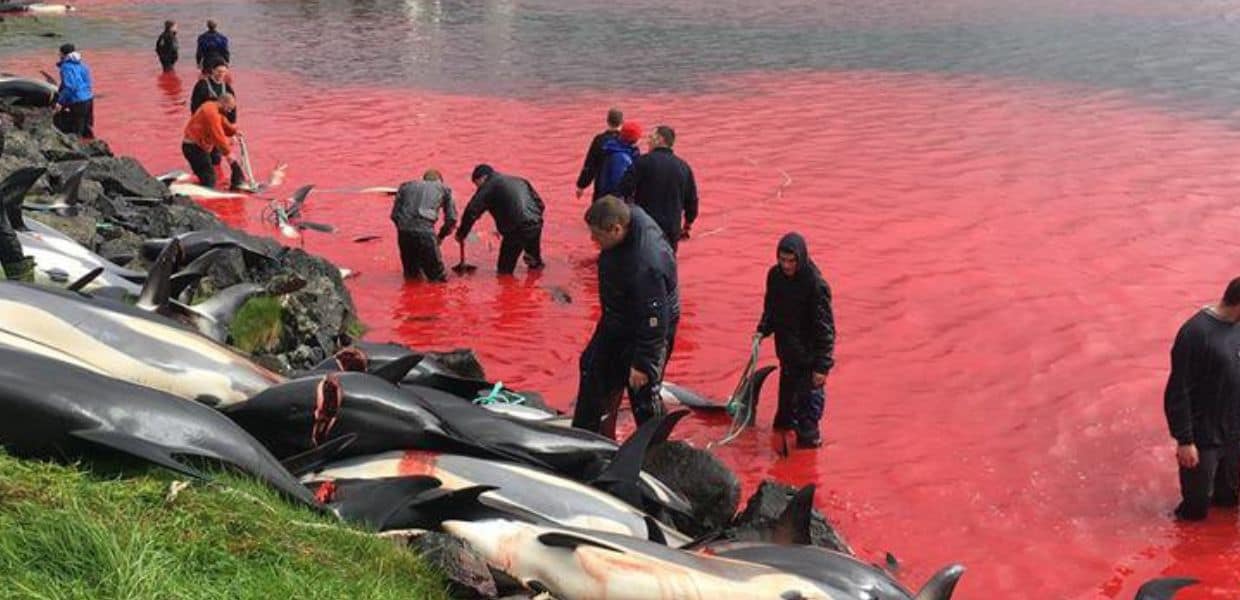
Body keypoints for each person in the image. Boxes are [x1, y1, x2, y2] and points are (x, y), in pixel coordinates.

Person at [572, 196, 679, 439]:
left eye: (597, 235)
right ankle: (590, 436)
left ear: (617, 229)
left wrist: (643, 363)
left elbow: (655, 318)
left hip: (648, 329)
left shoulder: (645, 264)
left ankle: (656, 450)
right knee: (591, 367)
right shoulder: (627, 215)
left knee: (641, 391)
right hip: (617, 317)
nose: (593, 241)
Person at [1163, 277, 1240, 521]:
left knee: (1229, 501)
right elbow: (1178, 391)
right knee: (1195, 509)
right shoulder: (1195, 334)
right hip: (1203, 437)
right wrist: (1184, 440)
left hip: (1233, 433)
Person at [756, 233, 835, 450]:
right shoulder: (775, 276)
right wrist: (763, 329)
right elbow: (770, 308)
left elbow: (826, 330)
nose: (786, 265)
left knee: (807, 433)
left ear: (800, 259)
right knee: (782, 423)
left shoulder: (816, 286)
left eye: (791, 261)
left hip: (810, 364)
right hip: (788, 358)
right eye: (782, 260)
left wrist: (822, 367)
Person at [616, 125, 698, 252]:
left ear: (660, 139)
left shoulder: (642, 162)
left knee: (643, 262)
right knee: (667, 264)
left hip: (645, 225)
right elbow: (692, 201)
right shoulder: (684, 167)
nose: (648, 141)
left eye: (650, 137)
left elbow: (623, 189)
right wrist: (687, 225)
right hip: (672, 227)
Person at [455, 164, 545, 275]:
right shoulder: (520, 180)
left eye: (476, 184)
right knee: (535, 264)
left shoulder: (488, 187)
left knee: (504, 272)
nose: (477, 188)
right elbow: (540, 204)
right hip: (535, 224)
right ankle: (539, 286)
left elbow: (471, 211)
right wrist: (534, 220)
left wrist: (462, 234)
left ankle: (511, 290)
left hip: (516, 230)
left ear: (482, 178)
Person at [391, 169, 457, 282]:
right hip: (425, 231)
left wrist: (404, 228)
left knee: (411, 276)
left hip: (404, 231)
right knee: (437, 278)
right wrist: (440, 237)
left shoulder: (405, 186)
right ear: (439, 181)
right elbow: (451, 219)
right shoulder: (444, 189)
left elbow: (394, 215)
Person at [189, 61, 244, 190]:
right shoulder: (202, 86)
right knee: (207, 157)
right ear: (212, 71)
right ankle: (206, 179)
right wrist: (230, 156)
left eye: (224, 73)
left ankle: (216, 179)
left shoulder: (228, 88)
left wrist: (233, 129)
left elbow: (232, 110)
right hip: (205, 128)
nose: (221, 75)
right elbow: (194, 106)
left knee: (216, 158)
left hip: (219, 126)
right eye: (219, 72)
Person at [182, 93, 239, 189]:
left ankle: (200, 186)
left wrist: (234, 132)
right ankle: (202, 198)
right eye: (229, 108)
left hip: (197, 147)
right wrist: (228, 153)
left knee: (207, 174)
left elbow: (223, 122)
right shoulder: (211, 113)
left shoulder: (213, 108)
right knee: (209, 178)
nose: (229, 112)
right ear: (223, 103)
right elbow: (217, 134)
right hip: (194, 148)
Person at [575, 107, 623, 201]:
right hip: (621, 191)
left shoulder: (599, 140)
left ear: (607, 121)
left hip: (602, 189)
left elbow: (590, 165)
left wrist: (581, 186)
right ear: (622, 122)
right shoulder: (626, 141)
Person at [52, 44, 94, 138]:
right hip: (89, 99)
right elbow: (88, 83)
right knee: (87, 129)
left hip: (78, 101)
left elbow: (70, 87)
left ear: (63, 54)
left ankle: (78, 149)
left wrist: (60, 102)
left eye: (59, 53)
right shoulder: (83, 65)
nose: (58, 55)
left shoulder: (66, 67)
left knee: (77, 131)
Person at [594, 121, 641, 199]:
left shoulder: (614, 148)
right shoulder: (621, 158)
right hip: (615, 202)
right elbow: (618, 185)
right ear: (635, 139)